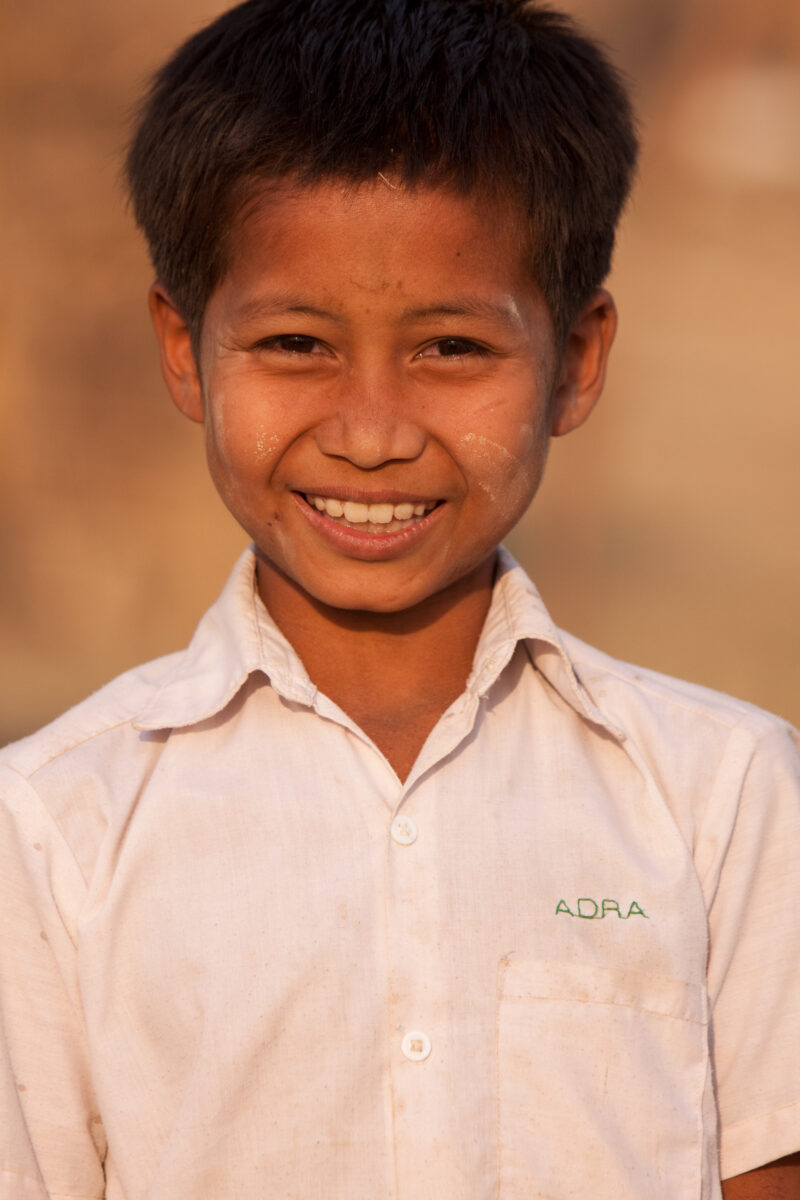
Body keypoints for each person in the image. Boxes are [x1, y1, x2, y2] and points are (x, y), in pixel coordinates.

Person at [1, 1, 798, 1196]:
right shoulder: (53, 829)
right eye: (293, 344)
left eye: (451, 351)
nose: (371, 434)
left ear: (576, 360)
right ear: (183, 349)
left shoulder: (723, 797)